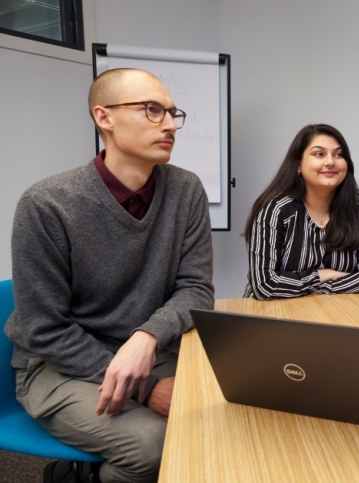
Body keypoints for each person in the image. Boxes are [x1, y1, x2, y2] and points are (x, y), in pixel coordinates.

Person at [5, 68, 215, 483]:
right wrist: (146, 390)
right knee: (153, 447)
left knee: (228, 414)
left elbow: (196, 289)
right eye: (153, 111)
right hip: (59, 365)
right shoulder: (47, 204)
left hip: (147, 353)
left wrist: (148, 336)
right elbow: (45, 329)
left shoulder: (186, 190)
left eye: (174, 113)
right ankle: (75, 477)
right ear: (105, 117)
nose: (171, 125)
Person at [243, 124, 359, 299]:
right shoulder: (275, 209)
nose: (330, 162)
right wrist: (321, 275)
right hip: (273, 313)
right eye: (319, 154)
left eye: (338, 155)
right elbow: (265, 285)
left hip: (338, 311)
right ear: (298, 166)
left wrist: (318, 291)